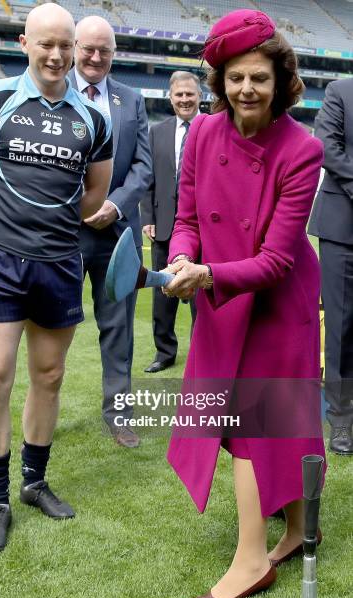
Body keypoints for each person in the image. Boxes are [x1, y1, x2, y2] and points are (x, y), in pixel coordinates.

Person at [162, 10, 326, 598]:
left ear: (281, 82)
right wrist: (182, 260)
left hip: (276, 305)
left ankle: (252, 560)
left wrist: (206, 274)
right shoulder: (203, 135)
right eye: (235, 78)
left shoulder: (303, 150)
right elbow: (184, 221)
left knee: (261, 424)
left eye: (258, 77)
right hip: (218, 295)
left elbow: (279, 261)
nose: (246, 90)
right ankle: (301, 526)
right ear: (219, 82)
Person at [0, 3, 113, 554]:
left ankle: (34, 481)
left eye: (65, 44)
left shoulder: (95, 121)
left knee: (50, 376)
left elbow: (92, 194)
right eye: (46, 43)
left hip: (60, 262)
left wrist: (44, 234)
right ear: (24, 44)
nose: (58, 54)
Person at [69, 16, 152, 448]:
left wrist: (115, 204)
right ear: (75, 46)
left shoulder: (131, 99)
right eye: (88, 49)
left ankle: (118, 414)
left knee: (118, 327)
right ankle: (43, 412)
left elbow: (143, 165)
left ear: (114, 53)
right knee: (52, 327)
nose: (96, 58)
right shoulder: (53, 94)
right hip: (65, 232)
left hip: (118, 232)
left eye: (105, 51)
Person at [141, 71, 201, 373]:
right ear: (170, 97)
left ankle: (201, 355)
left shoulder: (213, 127)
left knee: (203, 297)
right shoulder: (157, 132)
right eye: (179, 94)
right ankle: (165, 352)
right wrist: (148, 218)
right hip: (164, 226)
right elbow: (148, 179)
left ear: (200, 96)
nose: (185, 99)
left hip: (204, 229)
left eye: (190, 94)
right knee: (163, 294)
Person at [308, 78, 353, 455]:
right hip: (343, 227)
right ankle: (340, 420)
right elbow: (327, 147)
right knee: (341, 326)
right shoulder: (341, 91)